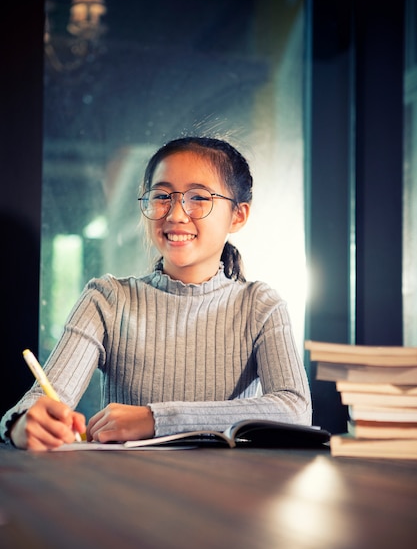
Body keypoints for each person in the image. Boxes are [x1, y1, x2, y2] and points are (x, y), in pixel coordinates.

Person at [1, 136, 312, 451]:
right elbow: (39, 400)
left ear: (238, 215)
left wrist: (156, 419)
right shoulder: (106, 299)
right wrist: (22, 423)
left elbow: (295, 410)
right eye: (162, 196)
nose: (176, 214)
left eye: (199, 198)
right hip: (125, 492)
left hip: (229, 491)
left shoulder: (261, 306)